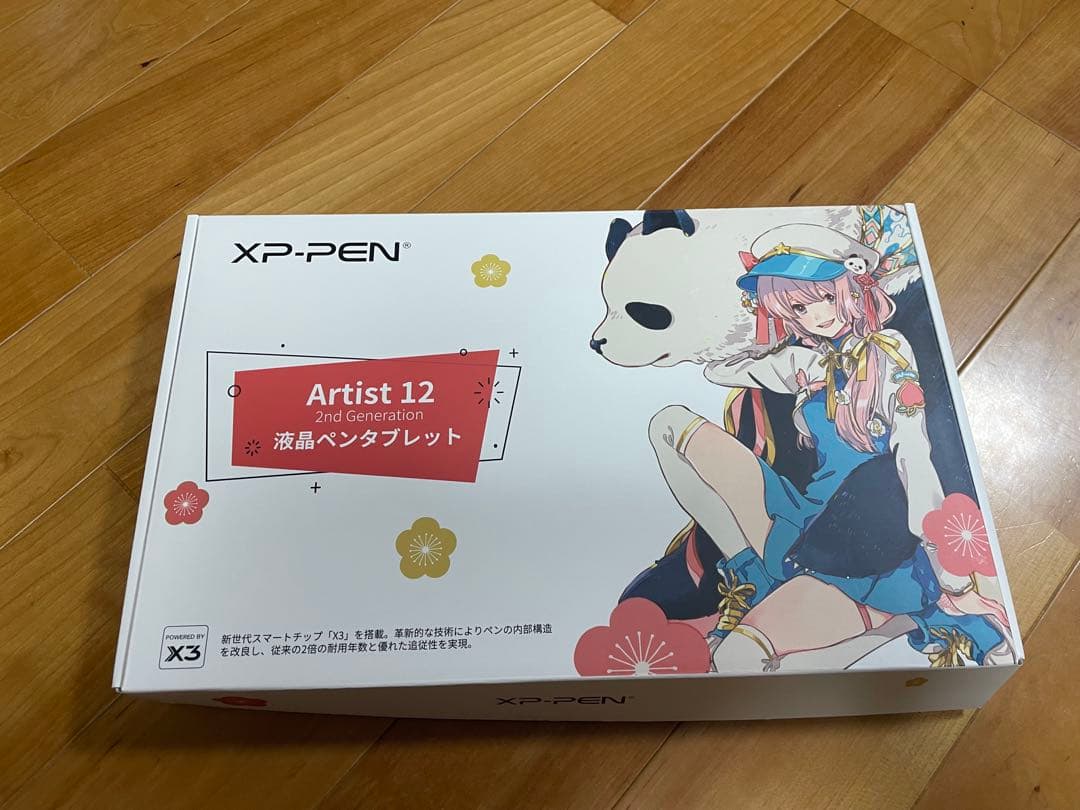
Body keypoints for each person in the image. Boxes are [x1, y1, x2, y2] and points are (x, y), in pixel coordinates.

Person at [647, 223, 1012, 672]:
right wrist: (782, 352)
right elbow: (717, 371)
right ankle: (753, 575)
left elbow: (913, 455)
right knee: (668, 425)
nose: (817, 315)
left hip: (865, 544)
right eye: (799, 307)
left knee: (735, 659)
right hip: (804, 518)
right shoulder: (806, 361)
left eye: (824, 295)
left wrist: (949, 576)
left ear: (851, 287)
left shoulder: (888, 353)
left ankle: (897, 617)